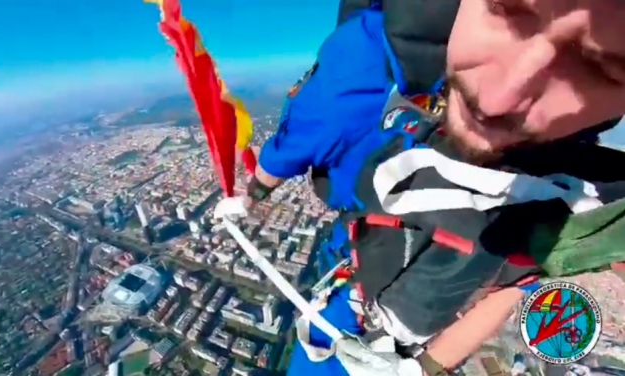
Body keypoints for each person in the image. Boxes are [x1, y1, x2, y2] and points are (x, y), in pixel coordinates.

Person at [216, 0, 625, 375]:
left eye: (599, 67)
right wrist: (425, 366)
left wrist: (253, 192)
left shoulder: (366, 59)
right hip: (377, 284)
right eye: (506, 8)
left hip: (363, 282)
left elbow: (308, 129)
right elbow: (519, 275)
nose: (501, 100)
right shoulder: (576, 185)